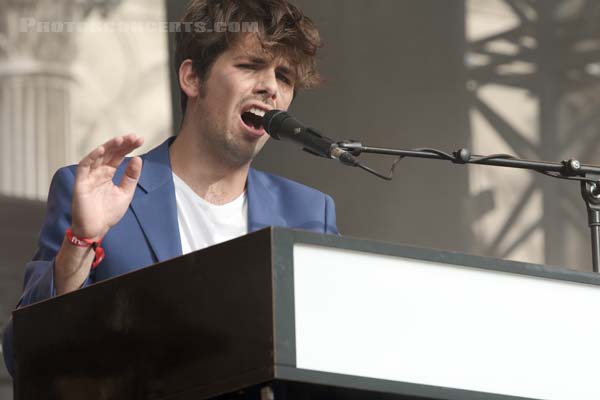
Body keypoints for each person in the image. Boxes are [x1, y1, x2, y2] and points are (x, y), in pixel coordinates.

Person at [2, 0, 338, 377]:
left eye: (285, 77)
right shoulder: (99, 193)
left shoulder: (310, 213)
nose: (270, 88)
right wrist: (81, 243)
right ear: (192, 78)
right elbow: (24, 356)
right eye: (250, 65)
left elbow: (331, 353)